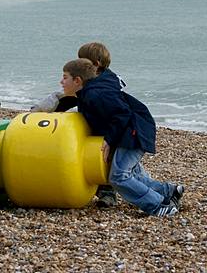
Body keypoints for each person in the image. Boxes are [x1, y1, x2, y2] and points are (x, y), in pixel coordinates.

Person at [62, 58, 184, 217]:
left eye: (65, 77)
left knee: (119, 177)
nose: (61, 81)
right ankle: (170, 191)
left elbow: (122, 113)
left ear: (77, 80)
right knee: (132, 175)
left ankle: (158, 205)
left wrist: (108, 140)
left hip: (135, 131)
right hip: (131, 129)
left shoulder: (95, 94)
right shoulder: (87, 94)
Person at [31, 42, 122, 207]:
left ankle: (108, 193)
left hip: (107, 127)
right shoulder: (90, 81)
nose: (80, 63)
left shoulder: (105, 83)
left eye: (83, 60)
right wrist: (38, 114)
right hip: (92, 121)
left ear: (95, 65)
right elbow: (67, 98)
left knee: (105, 158)